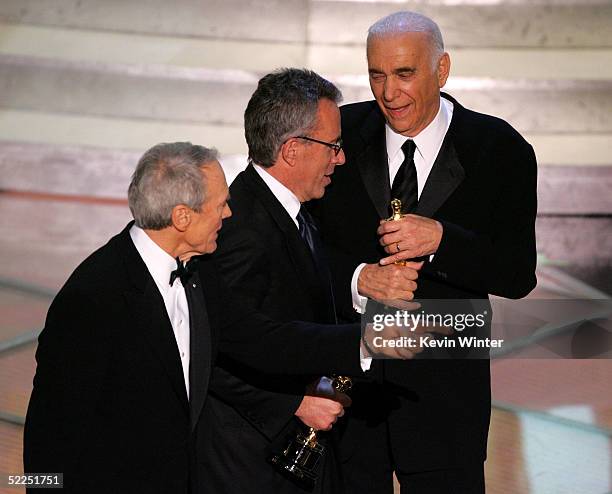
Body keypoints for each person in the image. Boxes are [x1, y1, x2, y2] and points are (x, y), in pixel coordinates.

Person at [23, 142, 371, 494]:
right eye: (220, 205)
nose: (229, 214)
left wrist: (387, 337)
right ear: (182, 217)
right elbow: (51, 435)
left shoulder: (199, 272)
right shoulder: (93, 298)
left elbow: (266, 339)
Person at [309, 11, 537, 494]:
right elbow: (295, 244)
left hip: (448, 397)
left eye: (405, 74)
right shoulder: (336, 135)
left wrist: (442, 242)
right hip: (346, 389)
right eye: (377, 75)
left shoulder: (500, 150)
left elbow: (518, 274)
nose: (389, 93)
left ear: (442, 69)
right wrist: (357, 277)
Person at [200, 69, 356, 493]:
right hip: (249, 467)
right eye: (333, 146)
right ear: (292, 150)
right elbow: (205, 350)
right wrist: (294, 405)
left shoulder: (293, 211)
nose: (339, 159)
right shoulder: (241, 230)